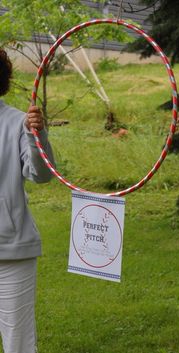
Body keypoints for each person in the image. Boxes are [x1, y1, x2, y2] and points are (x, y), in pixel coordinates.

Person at [0, 48, 55, 353]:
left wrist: (36, 135)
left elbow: (42, 175)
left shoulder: (17, 122)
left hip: (12, 254)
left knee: (18, 346)